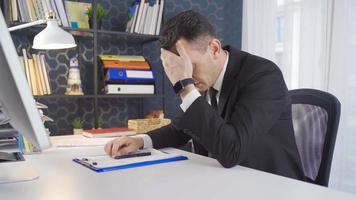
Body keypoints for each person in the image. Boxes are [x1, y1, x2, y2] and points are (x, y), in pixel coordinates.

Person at [105, 10, 305, 180]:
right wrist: (141, 141)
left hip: (271, 185)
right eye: (181, 70)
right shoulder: (208, 77)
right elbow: (182, 128)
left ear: (214, 49)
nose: (188, 77)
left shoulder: (263, 76)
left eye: (191, 66)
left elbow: (231, 151)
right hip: (230, 180)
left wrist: (185, 86)